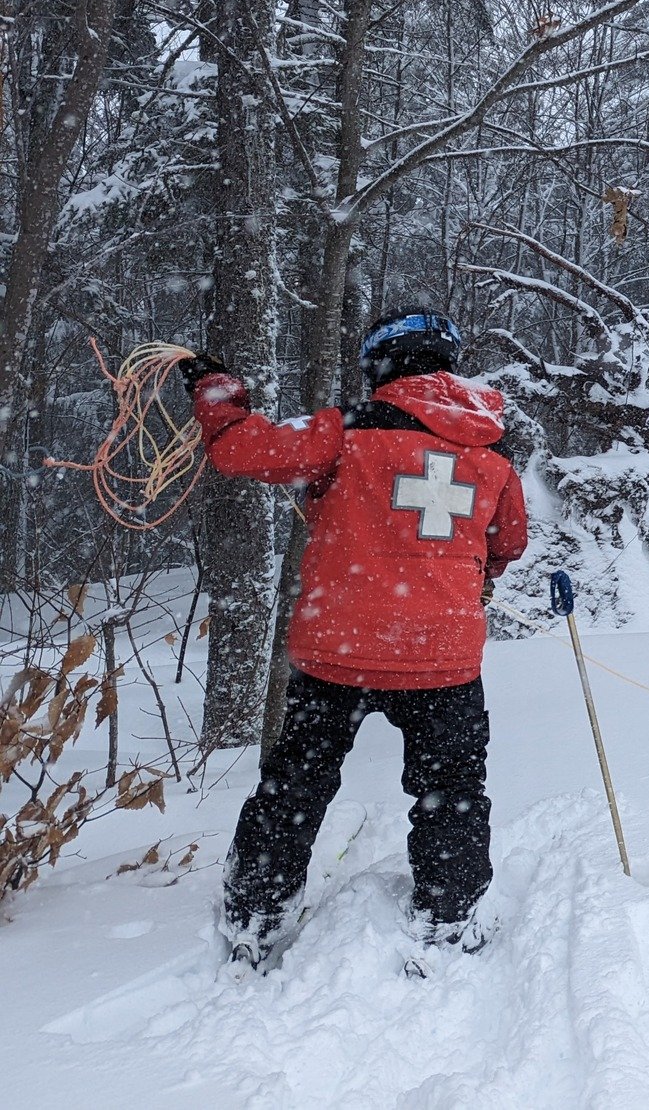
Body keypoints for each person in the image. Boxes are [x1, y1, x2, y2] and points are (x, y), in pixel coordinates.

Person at [181, 309, 527, 975]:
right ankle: (449, 914)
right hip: (443, 658)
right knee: (452, 787)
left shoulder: (346, 431)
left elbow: (242, 451)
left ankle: (256, 916)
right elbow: (507, 543)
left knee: (295, 785)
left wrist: (218, 394)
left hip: (339, 651)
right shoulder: (492, 452)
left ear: (380, 365)